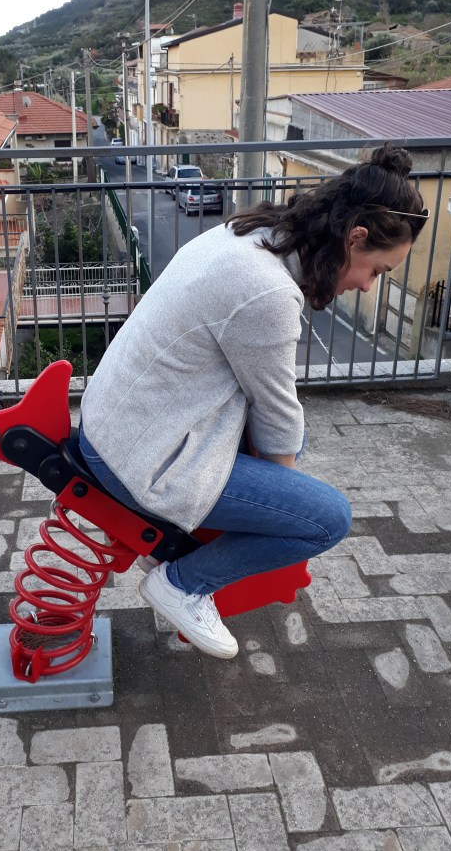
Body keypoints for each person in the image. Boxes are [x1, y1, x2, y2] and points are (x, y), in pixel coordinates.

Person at [78, 144, 428, 659]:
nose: (367, 287)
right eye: (376, 270)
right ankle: (183, 584)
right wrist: (284, 505)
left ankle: (183, 549)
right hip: (140, 459)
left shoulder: (248, 234)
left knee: (292, 441)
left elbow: (275, 409)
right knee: (326, 518)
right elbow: (277, 412)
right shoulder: (266, 290)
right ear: (355, 238)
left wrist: (277, 477)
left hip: (118, 427)